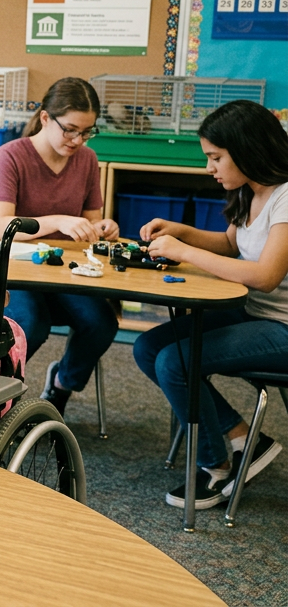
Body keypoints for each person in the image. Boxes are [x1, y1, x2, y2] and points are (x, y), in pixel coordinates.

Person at [133, 100, 288, 509]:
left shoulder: (286, 198)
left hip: (282, 327)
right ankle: (243, 438)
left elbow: (265, 276)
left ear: (249, 149)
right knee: (148, 348)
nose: (210, 168)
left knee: (176, 361)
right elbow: (230, 244)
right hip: (254, 314)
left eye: (216, 157)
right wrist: (180, 231)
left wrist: (183, 250)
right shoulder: (252, 191)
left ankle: (215, 465)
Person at [0, 77, 119, 416]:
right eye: (70, 130)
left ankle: (60, 385)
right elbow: (2, 226)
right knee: (31, 325)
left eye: (86, 132)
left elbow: (91, 222)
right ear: (45, 118)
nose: (77, 140)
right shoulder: (10, 156)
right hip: (11, 268)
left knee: (101, 322)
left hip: (59, 269)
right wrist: (58, 220)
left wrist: (103, 228)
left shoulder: (87, 159)